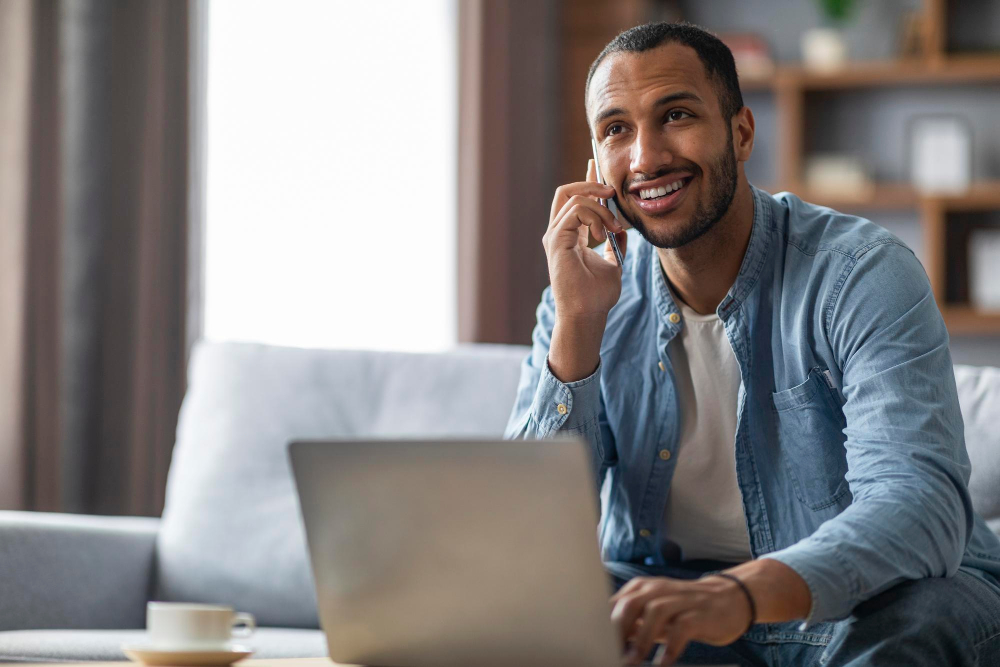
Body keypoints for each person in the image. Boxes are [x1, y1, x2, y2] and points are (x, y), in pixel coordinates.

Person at [504, 21, 1000, 666]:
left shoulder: (860, 272)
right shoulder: (580, 296)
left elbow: (917, 503)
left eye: (675, 114)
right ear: (596, 163)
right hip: (677, 609)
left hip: (855, 609)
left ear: (741, 132)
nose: (647, 158)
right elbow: (527, 536)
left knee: (926, 616)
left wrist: (740, 594)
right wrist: (576, 328)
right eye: (616, 129)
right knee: (531, 615)